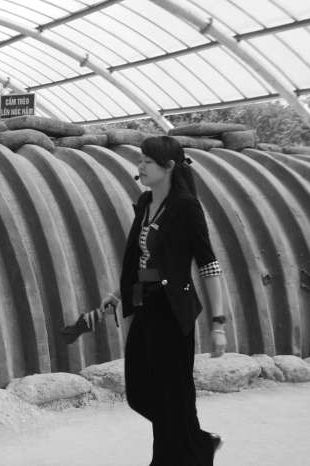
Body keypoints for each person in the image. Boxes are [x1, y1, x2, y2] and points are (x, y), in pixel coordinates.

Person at [100, 136, 227, 466]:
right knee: (142, 392)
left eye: (148, 161)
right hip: (145, 305)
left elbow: (209, 264)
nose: (140, 166)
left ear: (169, 167)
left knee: (174, 393)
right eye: (140, 160)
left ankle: (172, 459)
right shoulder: (144, 204)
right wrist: (119, 293)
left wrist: (219, 324)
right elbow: (144, 261)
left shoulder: (186, 207)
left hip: (173, 311)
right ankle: (198, 443)